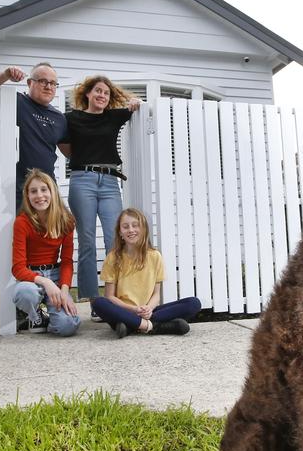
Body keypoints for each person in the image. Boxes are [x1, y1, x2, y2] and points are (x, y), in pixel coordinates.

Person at [59, 75, 141, 310]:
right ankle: (93, 300)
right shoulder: (71, 118)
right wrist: (83, 159)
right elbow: (64, 146)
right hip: (82, 180)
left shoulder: (114, 117)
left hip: (109, 182)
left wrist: (135, 101)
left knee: (114, 239)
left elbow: (135, 105)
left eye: (106, 92)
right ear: (87, 93)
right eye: (98, 91)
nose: (102, 95)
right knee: (86, 241)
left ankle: (114, 297)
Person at [90, 208, 201, 338]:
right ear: (120, 232)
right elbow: (110, 297)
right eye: (125, 227)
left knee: (193, 303)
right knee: (98, 303)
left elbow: (156, 293)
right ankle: (152, 327)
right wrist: (133, 310)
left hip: (148, 311)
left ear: (143, 230)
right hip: (122, 311)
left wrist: (148, 309)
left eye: (135, 226)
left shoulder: (155, 256)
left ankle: (131, 326)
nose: (131, 230)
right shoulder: (113, 257)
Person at [0, 63, 67, 207]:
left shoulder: (60, 118)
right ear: (30, 83)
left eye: (53, 83)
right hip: (16, 190)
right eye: (43, 81)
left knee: (50, 230)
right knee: (17, 230)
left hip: (47, 190)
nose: (48, 86)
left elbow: (68, 151)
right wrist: (5, 74)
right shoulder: (14, 102)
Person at [11, 169, 80, 336]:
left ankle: (52, 319)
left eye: (44, 189)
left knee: (68, 325)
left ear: (52, 192)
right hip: (31, 277)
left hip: (55, 274)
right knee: (25, 293)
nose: (39, 195)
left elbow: (66, 261)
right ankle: (33, 315)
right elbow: (18, 268)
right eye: (33, 191)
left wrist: (63, 290)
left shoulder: (66, 221)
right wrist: (46, 283)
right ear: (27, 196)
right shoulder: (22, 222)